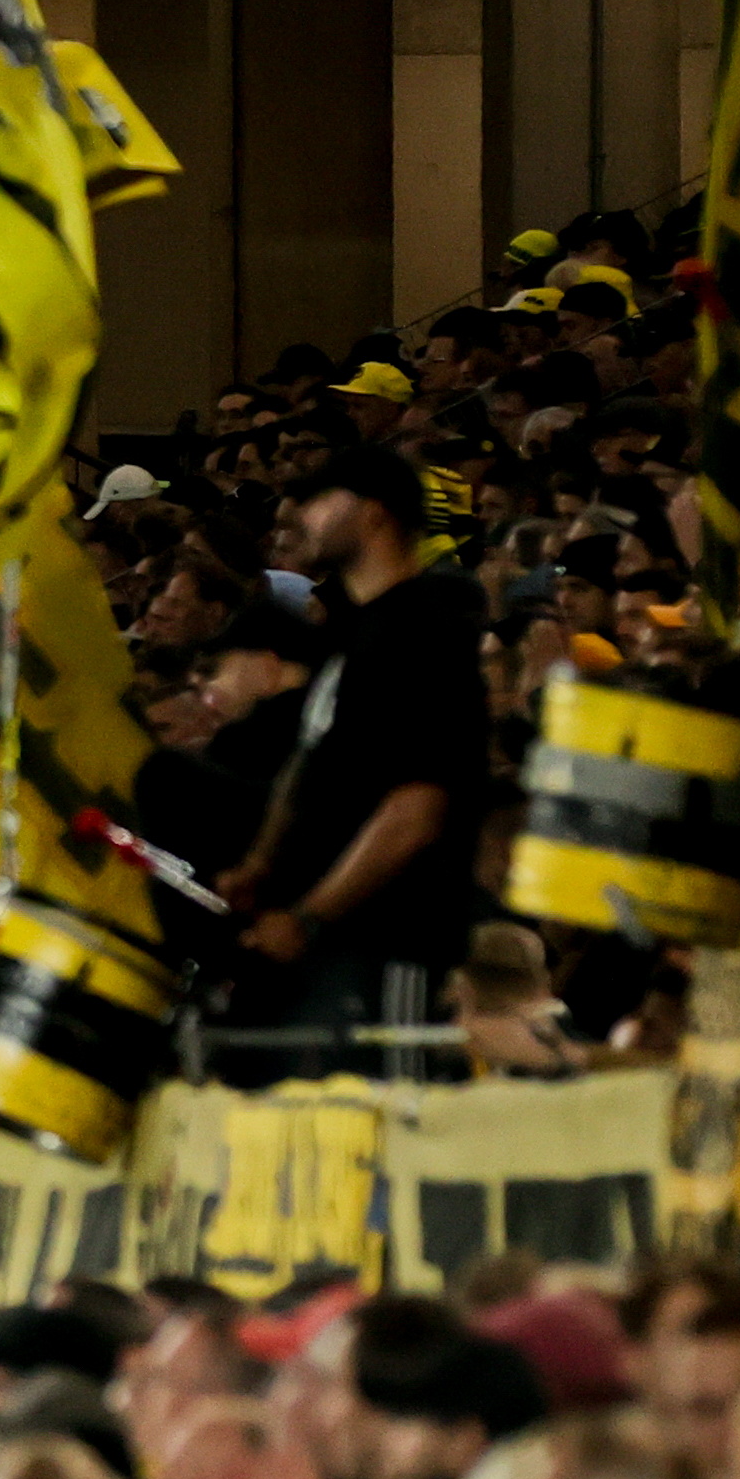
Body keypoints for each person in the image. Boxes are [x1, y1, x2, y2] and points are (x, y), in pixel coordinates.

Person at [225, 451, 487, 1056]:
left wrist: (308, 917)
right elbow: (312, 763)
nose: (301, 516)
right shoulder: (353, 632)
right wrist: (261, 863)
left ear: (372, 514)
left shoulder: (425, 629)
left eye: (321, 501)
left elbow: (415, 812)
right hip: (329, 943)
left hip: (387, 945)